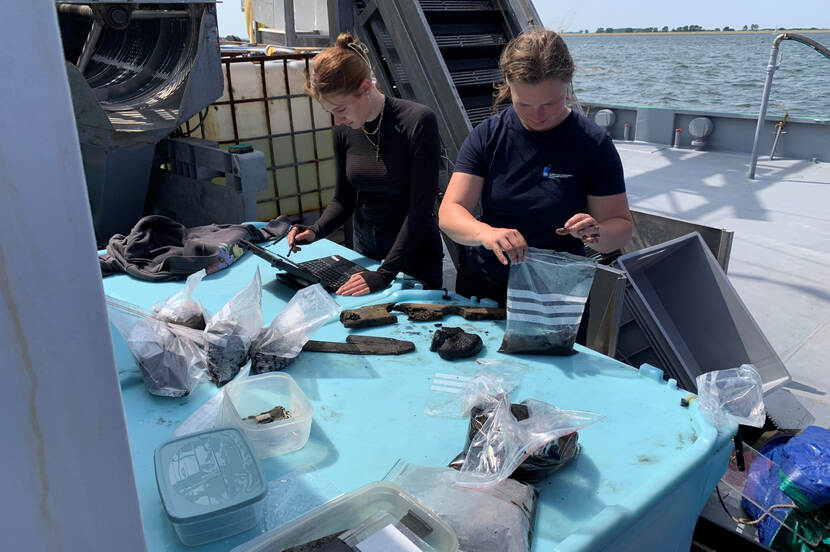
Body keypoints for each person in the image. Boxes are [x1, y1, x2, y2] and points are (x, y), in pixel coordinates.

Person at [438, 28, 633, 308]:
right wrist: (485, 233)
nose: (538, 115)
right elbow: (449, 212)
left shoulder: (593, 143)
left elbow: (621, 228)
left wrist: (595, 232)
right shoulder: (487, 135)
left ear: (568, 85)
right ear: (508, 84)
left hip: (557, 293)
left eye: (550, 103)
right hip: (485, 287)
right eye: (524, 103)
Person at [287, 33, 443, 296]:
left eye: (341, 109)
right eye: (330, 112)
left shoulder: (418, 121)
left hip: (414, 260)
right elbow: (343, 200)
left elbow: (420, 211)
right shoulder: (344, 130)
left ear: (366, 89)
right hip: (367, 256)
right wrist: (315, 231)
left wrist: (385, 274)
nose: (337, 120)